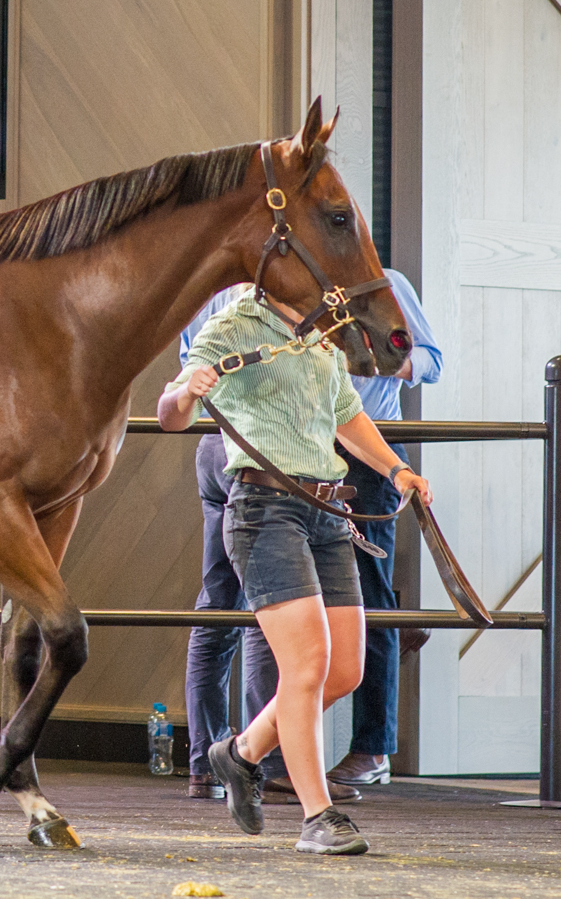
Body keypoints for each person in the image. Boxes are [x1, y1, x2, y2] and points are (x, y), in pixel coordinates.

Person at [158, 288, 432, 856]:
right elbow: (170, 414)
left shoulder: (323, 334)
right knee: (306, 665)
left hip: (329, 512)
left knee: (346, 671)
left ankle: (239, 754)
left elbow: (346, 413)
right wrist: (188, 391)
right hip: (263, 510)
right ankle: (317, 815)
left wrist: (397, 468)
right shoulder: (233, 327)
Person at [328, 269, 442, 791]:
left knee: (369, 597)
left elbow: (431, 362)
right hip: (302, 448)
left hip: (371, 451)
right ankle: (274, 751)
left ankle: (372, 748)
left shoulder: (387, 284)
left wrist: (379, 361)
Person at [176, 286, 289, 801]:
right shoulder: (267, 300)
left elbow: (185, 374)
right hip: (259, 448)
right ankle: (261, 760)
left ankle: (203, 762)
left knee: (218, 604)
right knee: (268, 607)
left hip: (212, 444)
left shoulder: (209, 301)